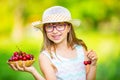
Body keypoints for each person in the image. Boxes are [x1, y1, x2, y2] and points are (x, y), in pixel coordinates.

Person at [9, 6, 98, 80]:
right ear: (45, 30)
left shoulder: (80, 49)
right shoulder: (46, 57)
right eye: (49, 26)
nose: (55, 31)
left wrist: (93, 65)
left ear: (68, 28)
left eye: (60, 25)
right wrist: (33, 71)